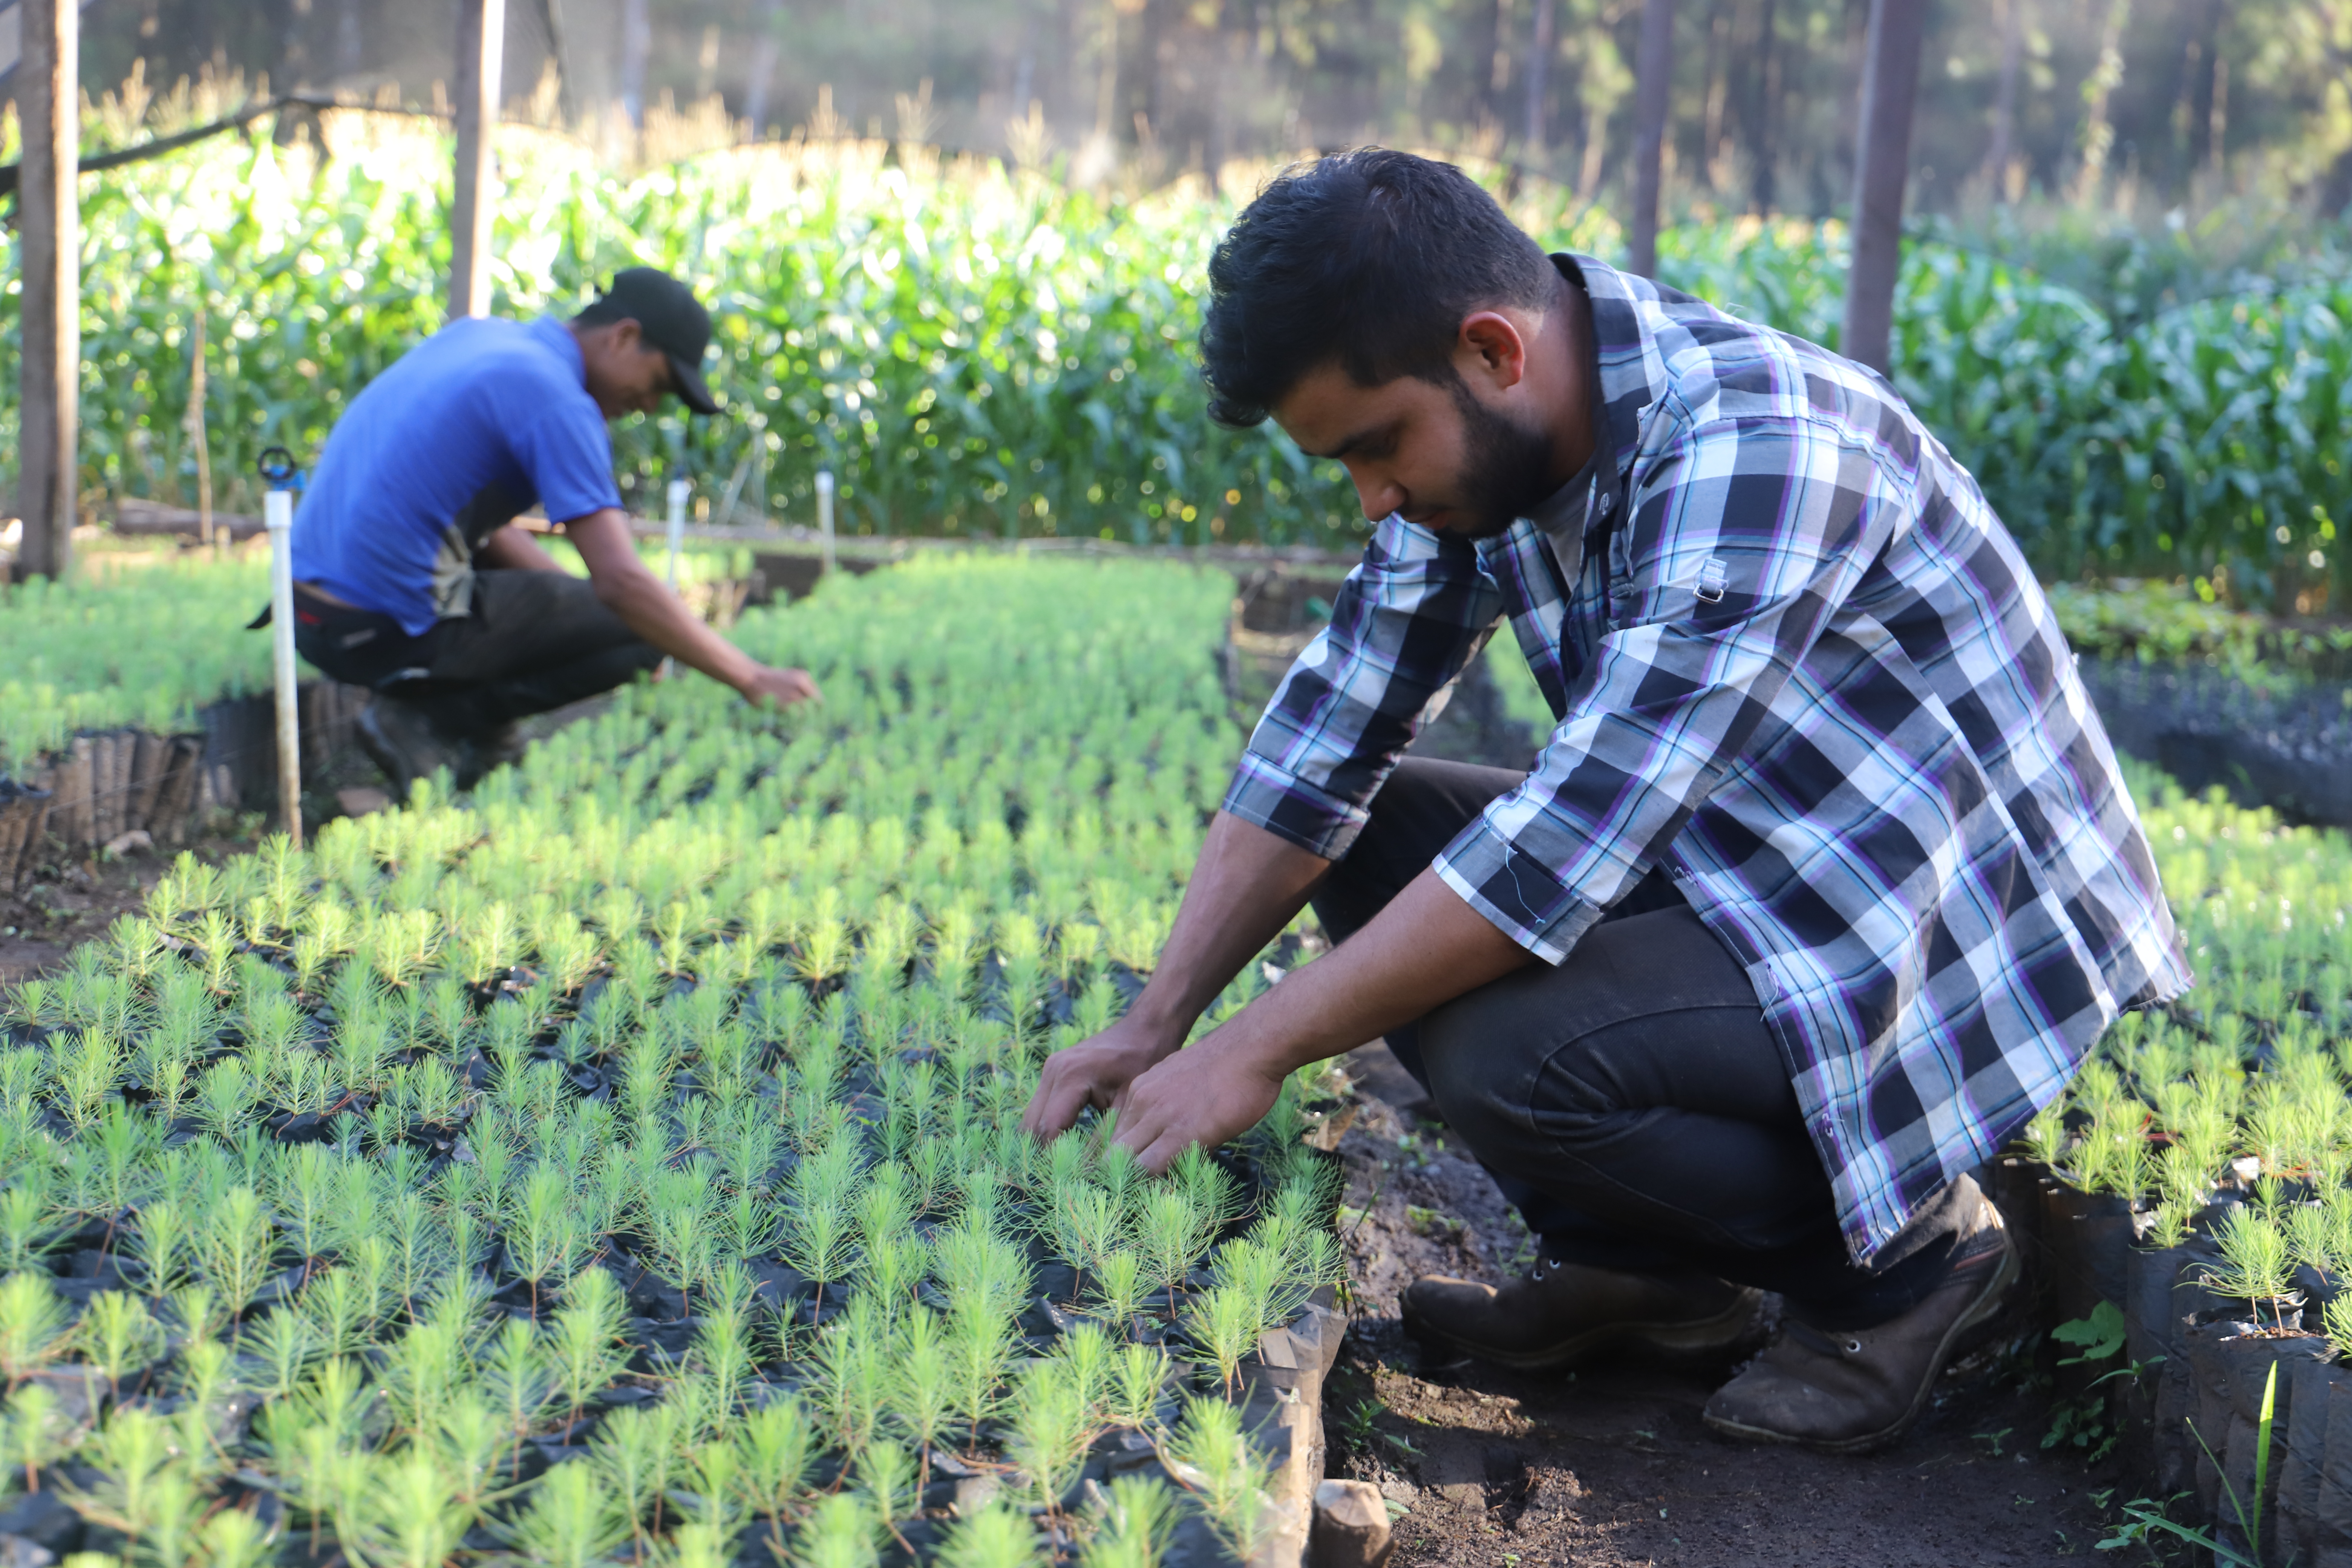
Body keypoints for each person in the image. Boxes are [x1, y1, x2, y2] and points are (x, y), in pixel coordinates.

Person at [1021, 150, 2190, 1453]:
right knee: (1371, 835)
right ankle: (1657, 1277)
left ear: (1491, 351)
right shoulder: (1495, 447)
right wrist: (1158, 1018)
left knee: (1517, 1056)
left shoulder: (1753, 446)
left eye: (1375, 446)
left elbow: (1564, 851)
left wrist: (1248, 1052)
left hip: (1941, 933)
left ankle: (1915, 1268)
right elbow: (1322, 745)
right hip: (1753, 861)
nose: (1374, 498)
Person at [286, 266, 819, 790]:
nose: (651, 405)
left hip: (311, 615)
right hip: (381, 629)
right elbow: (621, 583)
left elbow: (482, 530)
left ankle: (473, 733)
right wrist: (751, 677)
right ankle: (430, 722)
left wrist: (579, 610)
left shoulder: (482, 339)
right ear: (624, 337)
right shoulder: (556, 400)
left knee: (623, 618)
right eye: (658, 384)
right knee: (639, 629)